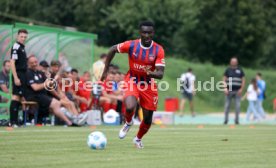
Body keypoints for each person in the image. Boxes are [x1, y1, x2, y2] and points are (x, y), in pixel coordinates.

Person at [101, 21, 165, 148]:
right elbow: (112, 49)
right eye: (144, 32)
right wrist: (106, 69)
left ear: (153, 33)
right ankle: (128, 122)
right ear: (140, 33)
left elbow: (160, 74)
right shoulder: (131, 45)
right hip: (132, 80)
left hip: (148, 84)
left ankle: (137, 139)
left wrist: (150, 73)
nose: (147, 35)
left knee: (147, 119)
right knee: (130, 106)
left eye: (149, 33)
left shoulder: (158, 49)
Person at [25, 56, 84, 126]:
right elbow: (50, 88)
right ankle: (74, 120)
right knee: (67, 104)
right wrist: (60, 97)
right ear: (51, 67)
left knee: (70, 103)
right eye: (55, 67)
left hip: (46, 96)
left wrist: (63, 95)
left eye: (58, 67)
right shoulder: (47, 74)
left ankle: (77, 119)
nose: (57, 68)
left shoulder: (45, 74)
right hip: (46, 96)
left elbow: (58, 87)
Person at [9, 29, 28, 127]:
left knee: (20, 97)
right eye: (21, 36)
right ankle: (12, 122)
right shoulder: (16, 46)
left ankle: (16, 121)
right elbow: (12, 62)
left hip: (23, 75)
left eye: (25, 37)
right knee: (15, 97)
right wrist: (16, 77)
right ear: (17, 36)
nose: (23, 38)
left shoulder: (22, 47)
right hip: (18, 74)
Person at [223, 57, 245, 125]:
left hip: (237, 91)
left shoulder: (240, 70)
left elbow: (243, 80)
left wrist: (241, 89)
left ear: (236, 62)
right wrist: (225, 88)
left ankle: (236, 121)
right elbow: (224, 80)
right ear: (230, 62)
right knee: (227, 106)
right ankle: (226, 120)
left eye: (234, 61)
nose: (233, 62)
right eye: (232, 61)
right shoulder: (228, 70)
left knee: (237, 106)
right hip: (229, 91)